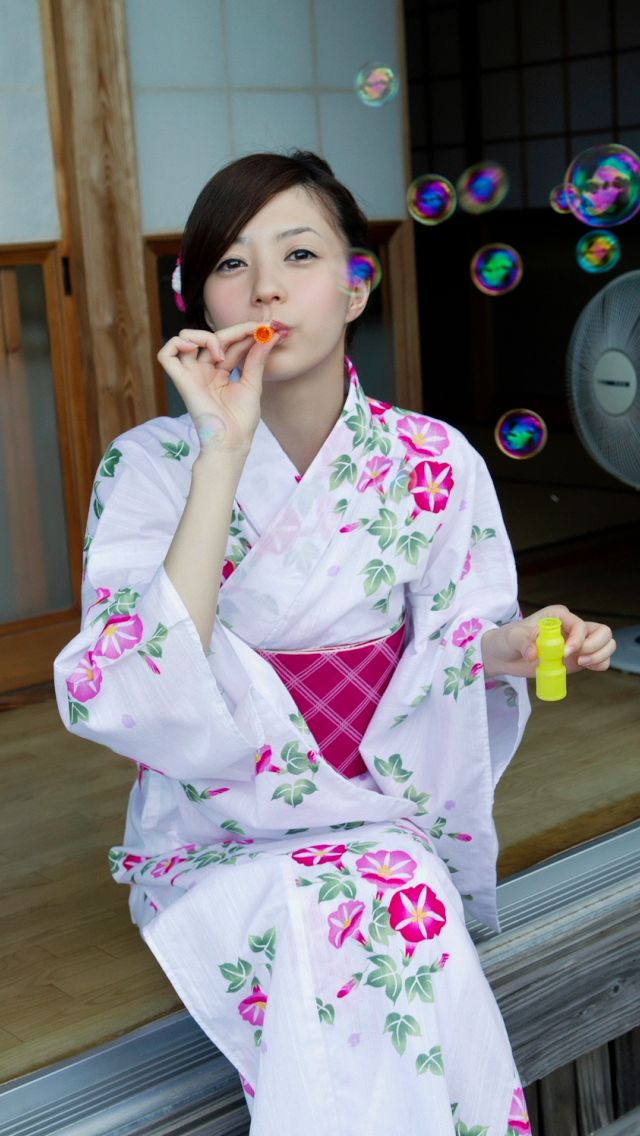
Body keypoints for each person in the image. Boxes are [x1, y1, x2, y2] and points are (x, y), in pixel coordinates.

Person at [54, 150, 615, 1136]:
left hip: (379, 807)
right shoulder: (147, 466)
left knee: (384, 884)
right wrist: (222, 449)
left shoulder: (433, 459)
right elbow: (133, 685)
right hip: (218, 828)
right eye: (231, 263)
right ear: (200, 300)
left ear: (356, 288)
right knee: (369, 898)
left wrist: (517, 645)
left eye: (299, 253)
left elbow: (452, 638)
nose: (264, 285)